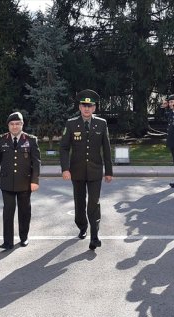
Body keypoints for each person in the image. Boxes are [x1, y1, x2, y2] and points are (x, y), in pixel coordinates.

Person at [59, 89, 113, 250]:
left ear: (94, 108)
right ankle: (82, 225)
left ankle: (94, 236)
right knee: (79, 203)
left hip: (95, 170)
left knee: (94, 203)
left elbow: (107, 148)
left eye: (90, 105)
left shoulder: (102, 123)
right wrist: (65, 168)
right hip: (77, 171)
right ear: (79, 107)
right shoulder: (71, 123)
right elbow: (63, 148)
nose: (87, 108)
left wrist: (109, 171)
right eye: (84, 105)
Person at [0, 112, 41, 249]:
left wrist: (35, 181)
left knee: (24, 212)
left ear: (22, 124)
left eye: (17, 124)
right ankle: (8, 242)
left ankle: (24, 237)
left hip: (24, 183)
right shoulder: (2, 140)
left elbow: (36, 162)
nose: (15, 126)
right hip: (7, 182)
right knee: (8, 212)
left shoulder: (31, 140)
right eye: (12, 124)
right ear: (8, 125)